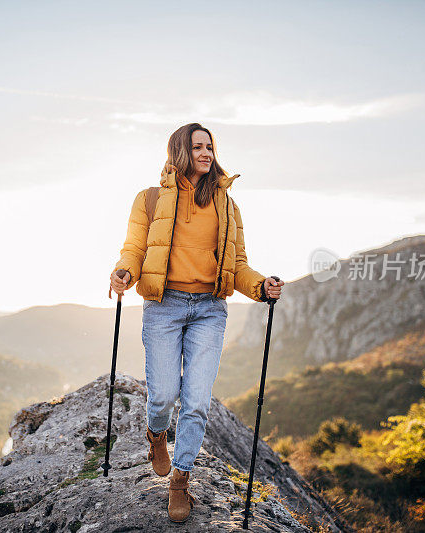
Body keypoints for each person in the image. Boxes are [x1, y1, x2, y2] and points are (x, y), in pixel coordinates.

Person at [109, 123, 283, 523]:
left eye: (210, 147)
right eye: (198, 146)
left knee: (197, 402)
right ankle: (156, 436)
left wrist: (261, 286)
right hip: (164, 306)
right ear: (180, 151)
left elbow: (237, 265)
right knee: (162, 396)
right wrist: (123, 271)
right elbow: (135, 248)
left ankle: (181, 480)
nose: (206, 153)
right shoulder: (150, 199)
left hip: (209, 309)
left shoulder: (227, 205)